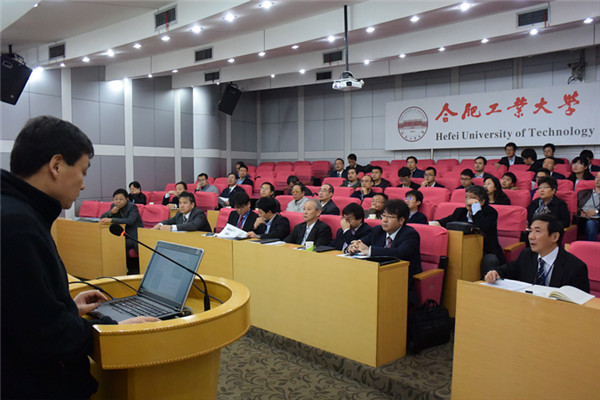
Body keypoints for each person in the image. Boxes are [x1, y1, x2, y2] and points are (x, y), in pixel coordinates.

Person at [1, 116, 156, 399]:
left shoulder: (15, 211)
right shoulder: (17, 225)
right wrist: (110, 331)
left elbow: (21, 309)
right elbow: (43, 334)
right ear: (57, 165)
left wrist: (65, 307)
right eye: (83, 172)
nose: (83, 185)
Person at [485, 214, 589, 293]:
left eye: (537, 231)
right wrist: (494, 273)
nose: (531, 236)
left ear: (555, 237)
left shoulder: (575, 267)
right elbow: (506, 271)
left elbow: (581, 301)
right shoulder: (527, 255)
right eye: (530, 231)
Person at [347, 199, 422, 305]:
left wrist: (369, 250)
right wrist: (354, 247)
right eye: (383, 216)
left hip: (401, 284)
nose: (384, 220)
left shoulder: (410, 234)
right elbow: (361, 243)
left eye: (390, 217)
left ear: (401, 220)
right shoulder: (378, 230)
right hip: (374, 278)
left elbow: (400, 253)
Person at [434, 185, 505, 276]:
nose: (468, 201)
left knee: (490, 260)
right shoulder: (460, 212)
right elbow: (442, 223)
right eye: (466, 197)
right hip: (463, 249)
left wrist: (476, 209)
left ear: (482, 202)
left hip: (486, 250)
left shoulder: (491, 213)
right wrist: (432, 224)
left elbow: (482, 226)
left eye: (472, 198)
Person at [99, 188, 144, 259]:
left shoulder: (132, 207)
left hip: (133, 236)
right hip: (120, 234)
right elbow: (102, 217)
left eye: (121, 199)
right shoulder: (113, 206)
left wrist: (112, 220)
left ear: (127, 199)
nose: (118, 201)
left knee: (120, 243)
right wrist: (111, 212)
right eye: (116, 199)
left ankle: (123, 264)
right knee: (107, 241)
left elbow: (129, 221)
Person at [575, 173, 600, 241]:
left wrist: (596, 211)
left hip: (596, 220)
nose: (598, 179)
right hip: (581, 218)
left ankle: (589, 246)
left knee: (591, 223)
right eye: (597, 177)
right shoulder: (582, 193)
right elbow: (574, 206)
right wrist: (580, 212)